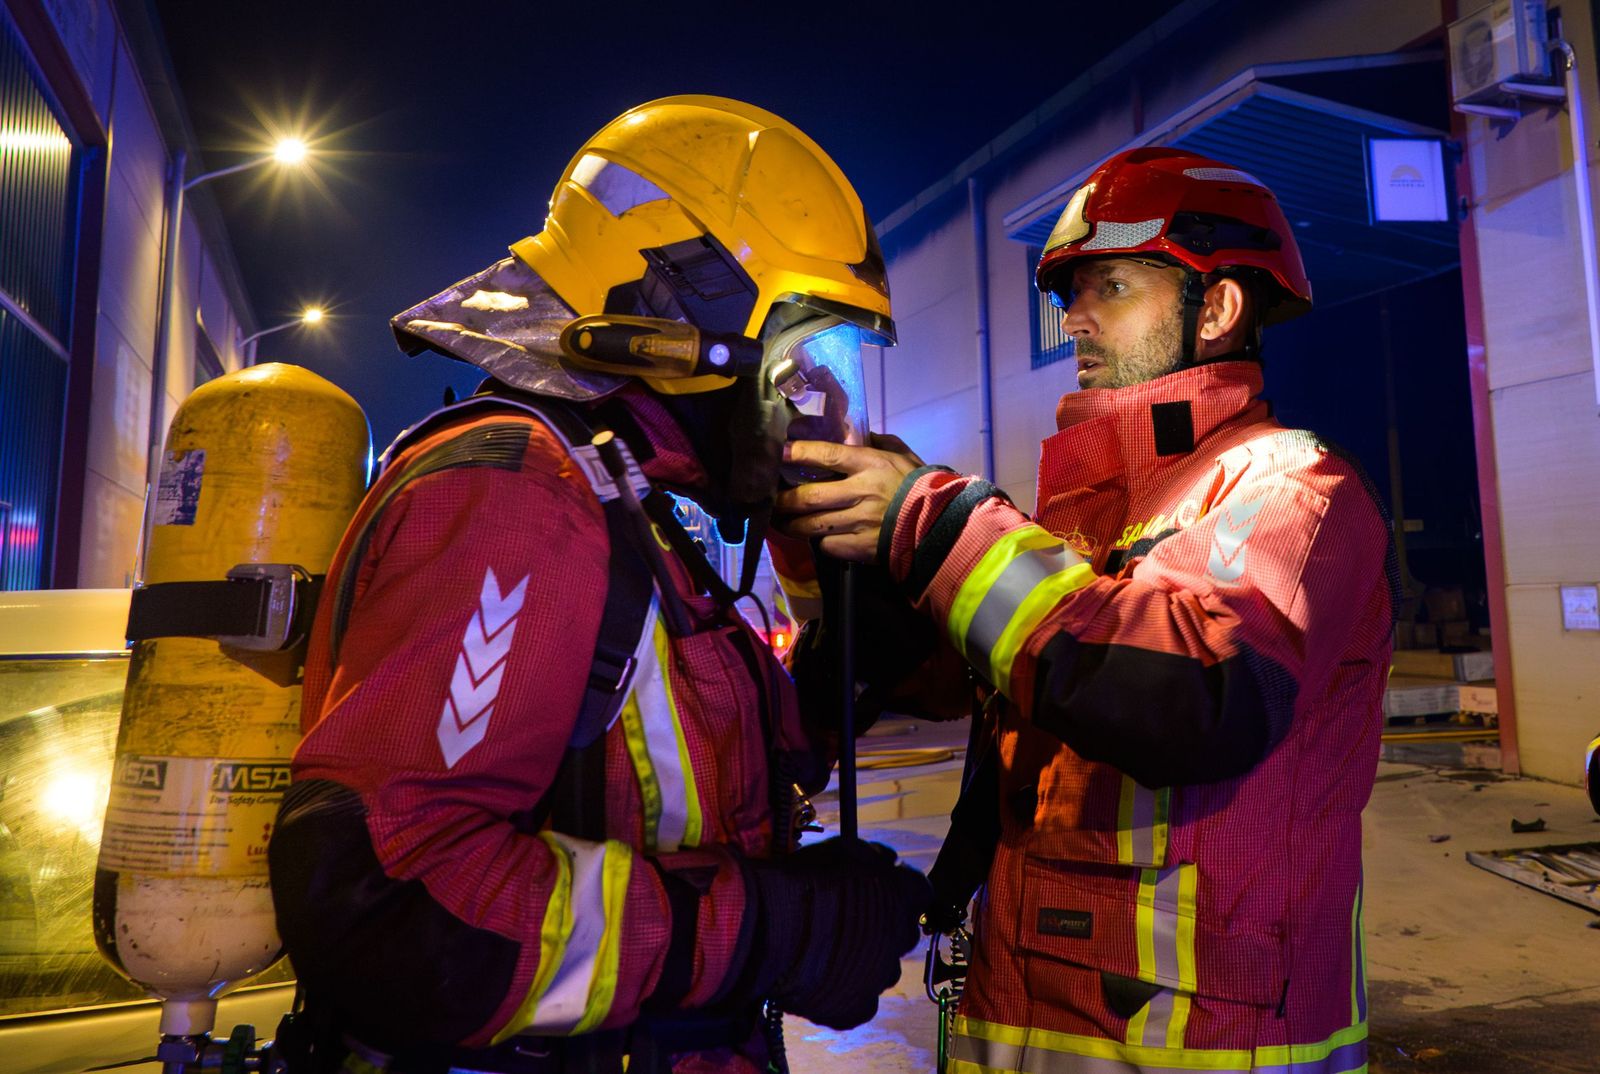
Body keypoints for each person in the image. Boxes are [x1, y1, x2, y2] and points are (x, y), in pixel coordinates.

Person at [267, 96, 930, 1074]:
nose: (816, 401)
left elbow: (691, 783)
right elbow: (392, 903)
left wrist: (859, 657)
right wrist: (771, 931)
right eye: (804, 354)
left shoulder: (631, 500)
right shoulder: (515, 495)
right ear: (689, 318)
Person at [776, 147, 1398, 1072]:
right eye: (1070, 293)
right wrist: (872, 576)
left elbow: (1196, 693)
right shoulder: (1092, 517)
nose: (1076, 318)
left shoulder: (1292, 485)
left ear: (1218, 309)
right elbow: (1006, 674)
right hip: (1027, 1007)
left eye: (1111, 285)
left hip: (1214, 1041)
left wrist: (940, 525)